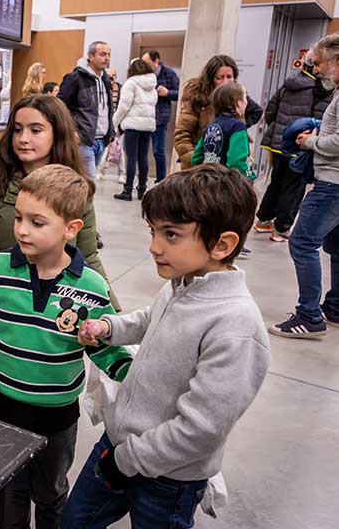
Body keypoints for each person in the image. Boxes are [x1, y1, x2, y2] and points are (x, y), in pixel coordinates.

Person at [62, 165, 270, 529]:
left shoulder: (235, 327)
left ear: (222, 244)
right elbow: (150, 319)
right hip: (118, 445)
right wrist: (110, 327)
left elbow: (200, 430)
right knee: (74, 521)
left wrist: (126, 461)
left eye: (171, 234)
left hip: (168, 480)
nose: (154, 246)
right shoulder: (182, 283)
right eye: (153, 231)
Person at [0, 164, 133, 529]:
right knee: (6, 493)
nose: (22, 229)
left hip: (57, 419)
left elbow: (102, 347)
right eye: (19, 218)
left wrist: (134, 375)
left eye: (37, 222)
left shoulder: (92, 288)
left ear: (71, 228)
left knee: (51, 491)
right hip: (2, 408)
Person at [0, 95, 121, 319]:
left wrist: (112, 312)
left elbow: (88, 256)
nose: (23, 138)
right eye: (17, 129)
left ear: (57, 133)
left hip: (51, 319)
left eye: (36, 130)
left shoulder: (76, 191)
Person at [271, 33, 339, 339]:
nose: (317, 69)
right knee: (336, 247)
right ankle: (335, 307)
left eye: (321, 63)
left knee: (302, 242)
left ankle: (310, 316)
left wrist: (309, 141)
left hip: (332, 184)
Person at [254, 50, 334, 242]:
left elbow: (270, 110)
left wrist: (281, 131)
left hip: (279, 142)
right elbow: (322, 121)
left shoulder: (290, 83)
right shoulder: (323, 89)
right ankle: (281, 228)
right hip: (301, 146)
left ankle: (263, 220)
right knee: (294, 188)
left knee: (276, 182)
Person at [173, 54, 263, 170]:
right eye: (220, 78)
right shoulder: (196, 97)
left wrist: (235, 127)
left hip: (228, 167)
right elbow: (181, 136)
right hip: (200, 168)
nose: (225, 82)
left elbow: (256, 111)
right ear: (210, 78)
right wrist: (198, 162)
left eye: (229, 77)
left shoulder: (236, 94)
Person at [58, 42, 116, 180]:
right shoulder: (75, 78)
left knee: (83, 183)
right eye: (102, 54)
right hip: (83, 140)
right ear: (90, 56)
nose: (107, 58)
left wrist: (111, 133)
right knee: (90, 183)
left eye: (108, 54)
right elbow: (59, 106)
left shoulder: (105, 79)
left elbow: (107, 109)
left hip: (102, 140)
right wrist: (71, 131)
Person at [112, 58, 158, 201]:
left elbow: (124, 106)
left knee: (131, 157)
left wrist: (114, 122)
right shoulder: (152, 85)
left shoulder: (130, 83)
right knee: (143, 157)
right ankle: (142, 188)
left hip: (133, 125)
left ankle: (127, 190)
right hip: (147, 126)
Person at [191, 81, 256, 181]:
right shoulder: (238, 126)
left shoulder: (210, 126)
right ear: (239, 103)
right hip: (227, 185)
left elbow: (196, 158)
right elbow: (236, 162)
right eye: (245, 97)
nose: (247, 102)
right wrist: (250, 175)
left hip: (208, 182)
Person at [141, 50, 181, 181]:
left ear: (156, 61)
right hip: (143, 117)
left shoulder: (169, 74)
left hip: (160, 118)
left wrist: (167, 93)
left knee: (158, 151)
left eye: (147, 63)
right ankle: (142, 180)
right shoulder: (143, 74)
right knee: (141, 151)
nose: (144, 65)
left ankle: (161, 180)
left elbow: (179, 93)